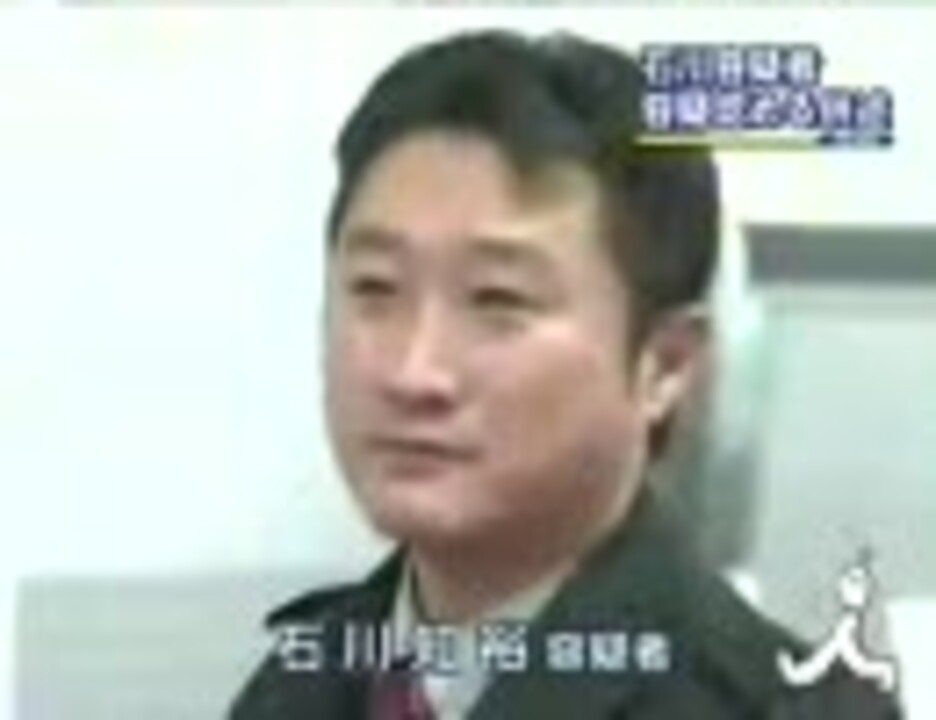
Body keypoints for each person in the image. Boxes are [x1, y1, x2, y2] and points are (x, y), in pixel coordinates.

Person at [229, 30, 901, 719]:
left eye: (497, 299)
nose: (413, 370)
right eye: (375, 288)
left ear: (665, 366)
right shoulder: (299, 681)